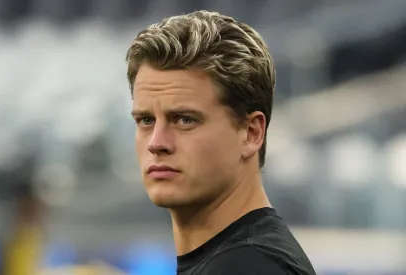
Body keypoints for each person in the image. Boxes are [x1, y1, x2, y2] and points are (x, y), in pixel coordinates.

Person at [126, 10, 316, 275]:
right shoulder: (240, 259)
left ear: (251, 133)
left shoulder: (246, 267)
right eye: (146, 120)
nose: (157, 143)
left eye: (184, 120)